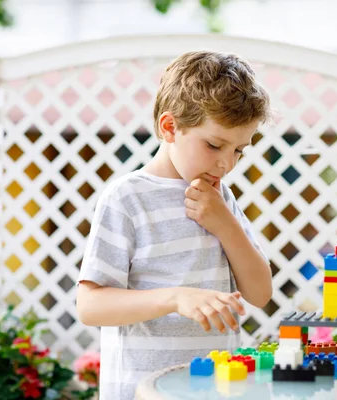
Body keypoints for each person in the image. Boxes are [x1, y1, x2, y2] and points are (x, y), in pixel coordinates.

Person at [76, 51, 273, 400]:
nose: (227, 164)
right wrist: (175, 298)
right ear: (170, 127)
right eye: (214, 145)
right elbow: (90, 306)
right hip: (143, 392)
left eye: (240, 150)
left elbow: (260, 293)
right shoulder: (127, 198)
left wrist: (225, 226)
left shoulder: (221, 199)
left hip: (216, 390)